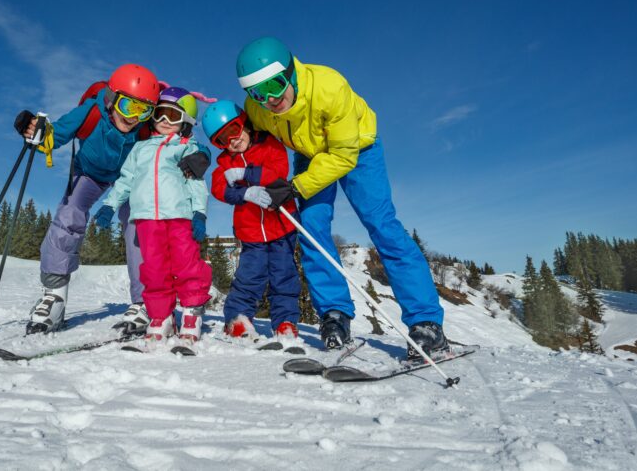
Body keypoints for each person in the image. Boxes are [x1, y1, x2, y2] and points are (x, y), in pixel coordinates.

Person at [235, 36, 447, 358]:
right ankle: (334, 315)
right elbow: (238, 136)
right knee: (311, 228)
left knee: (381, 224)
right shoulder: (258, 109)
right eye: (257, 93)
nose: (269, 99)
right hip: (310, 155)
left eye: (275, 86)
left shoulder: (329, 87)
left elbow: (344, 157)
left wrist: (294, 187)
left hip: (357, 149)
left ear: (290, 72)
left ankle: (425, 323)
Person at [15, 64, 207, 335]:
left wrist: (199, 155)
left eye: (143, 111)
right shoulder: (92, 113)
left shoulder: (143, 129)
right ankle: (54, 296)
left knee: (138, 223)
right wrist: (36, 132)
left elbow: (177, 137)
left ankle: (145, 301)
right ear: (111, 100)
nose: (133, 117)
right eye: (129, 107)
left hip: (129, 178)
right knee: (70, 213)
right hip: (91, 173)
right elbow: (56, 133)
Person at [94, 87, 213, 346]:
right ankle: (161, 315)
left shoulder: (187, 148)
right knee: (154, 268)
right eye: (160, 114)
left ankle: (192, 313)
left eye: (173, 115)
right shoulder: (141, 149)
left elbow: (196, 184)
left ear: (185, 121)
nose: (165, 121)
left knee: (186, 264)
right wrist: (110, 205)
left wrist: (199, 213)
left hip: (179, 216)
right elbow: (125, 180)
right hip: (146, 219)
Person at [203, 100, 301, 341]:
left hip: (282, 225)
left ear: (245, 123)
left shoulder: (269, 144)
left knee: (284, 275)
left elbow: (279, 171)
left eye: (234, 131)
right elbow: (217, 187)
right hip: (251, 232)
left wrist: (247, 175)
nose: (233, 141)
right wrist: (243, 193)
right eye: (224, 139)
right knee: (250, 276)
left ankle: (285, 322)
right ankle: (238, 319)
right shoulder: (226, 162)